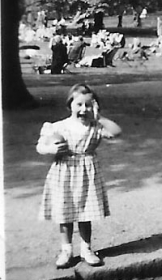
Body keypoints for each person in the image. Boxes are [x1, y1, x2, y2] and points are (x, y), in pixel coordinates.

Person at [36, 84, 122, 268]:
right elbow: (41, 146)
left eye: (89, 105)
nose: (84, 109)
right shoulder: (58, 127)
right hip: (64, 172)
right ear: (70, 105)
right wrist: (51, 149)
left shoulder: (96, 126)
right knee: (65, 213)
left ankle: (86, 248)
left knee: (85, 213)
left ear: (95, 107)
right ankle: (66, 250)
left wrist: (99, 117)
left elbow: (116, 132)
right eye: (79, 104)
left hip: (86, 173)